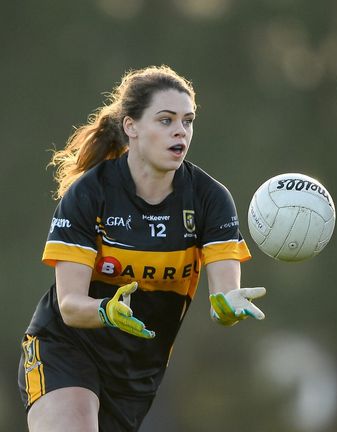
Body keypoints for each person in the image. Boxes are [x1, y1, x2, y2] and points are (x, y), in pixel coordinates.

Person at [18, 65, 266, 431]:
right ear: (131, 127)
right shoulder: (90, 193)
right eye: (165, 120)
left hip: (136, 373)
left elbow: (225, 292)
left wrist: (227, 306)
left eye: (188, 120)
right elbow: (70, 306)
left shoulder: (210, 199)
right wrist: (107, 311)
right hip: (66, 347)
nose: (181, 130)